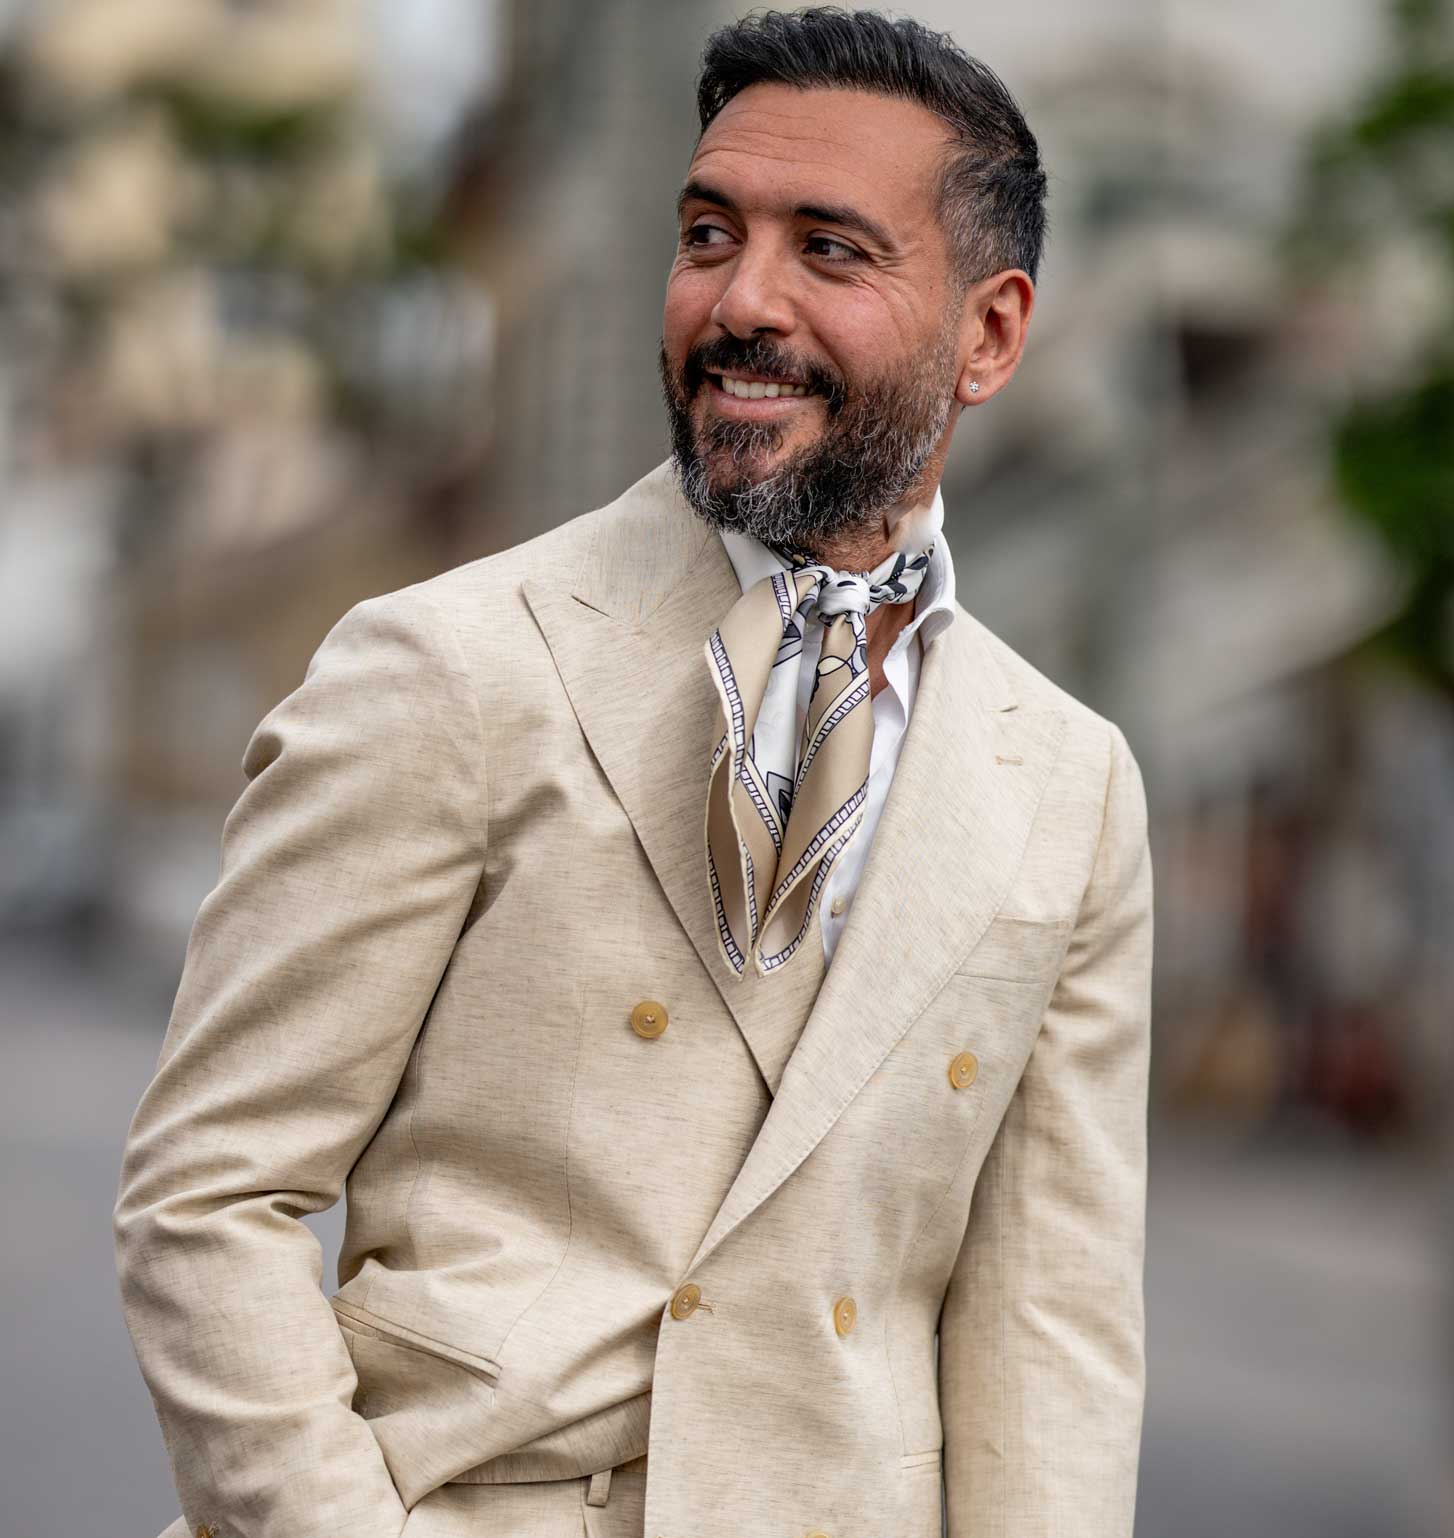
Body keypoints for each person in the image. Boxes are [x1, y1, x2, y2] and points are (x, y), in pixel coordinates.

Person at [114, 10, 1152, 1538]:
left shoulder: (1067, 778)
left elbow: (1051, 1322)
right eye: (708, 234)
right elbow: (209, 1196)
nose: (740, 301)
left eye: (828, 251)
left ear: (989, 333)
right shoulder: (449, 667)